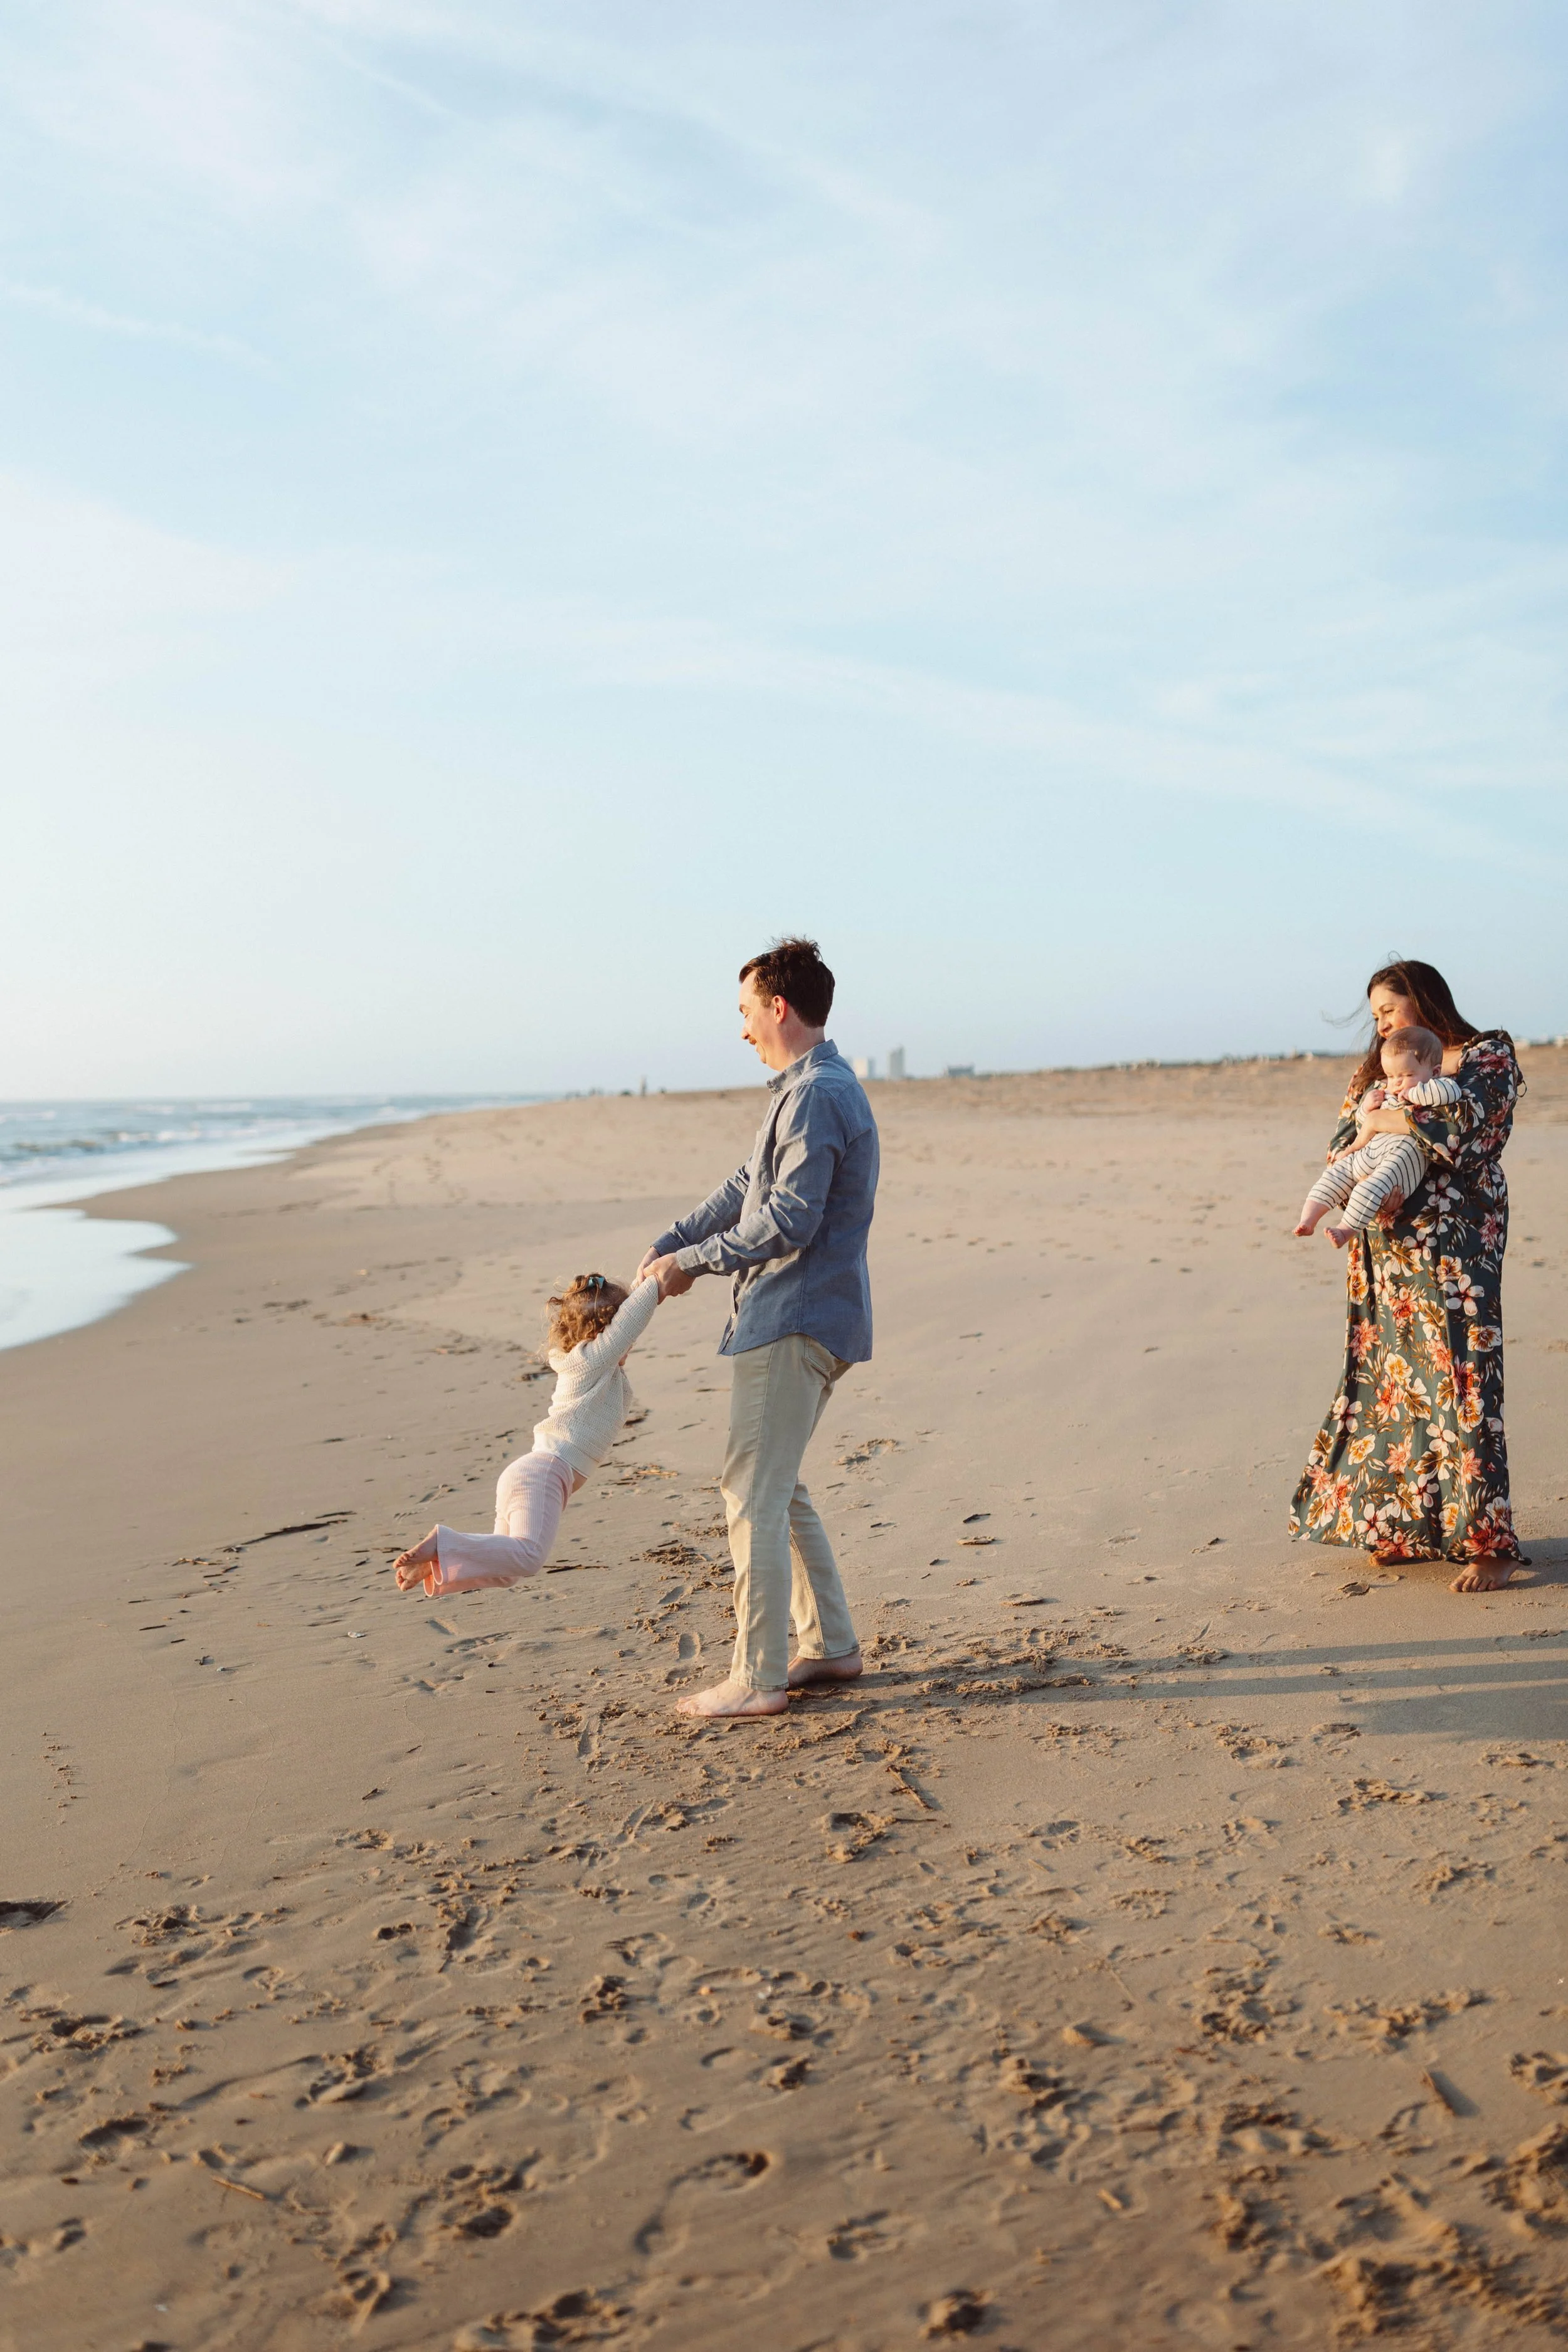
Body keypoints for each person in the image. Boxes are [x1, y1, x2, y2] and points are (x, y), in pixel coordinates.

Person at [640, 937, 879, 1718]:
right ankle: (831, 1646)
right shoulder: (804, 1088)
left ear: (779, 1007)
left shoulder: (816, 1093)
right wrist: (677, 1239)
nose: (741, 1028)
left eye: (746, 1011)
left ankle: (756, 1677)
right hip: (805, 1315)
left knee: (752, 1493)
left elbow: (790, 1218)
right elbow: (749, 1183)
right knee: (780, 1485)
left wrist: (695, 1263)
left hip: (793, 1315)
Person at [1290, 960, 1525, 1593]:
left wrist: (1391, 1120)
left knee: (1463, 1381)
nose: (1381, 1024)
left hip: (1456, 1248)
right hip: (1385, 1247)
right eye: (1374, 1016)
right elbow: (1345, 1143)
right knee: (1395, 1380)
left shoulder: (1485, 1055)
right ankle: (1407, 1528)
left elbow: (1471, 1133)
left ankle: (1487, 1546)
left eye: (1388, 1010)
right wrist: (1394, 1123)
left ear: (1422, 999)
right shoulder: (1376, 1070)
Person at [391, 1272, 660, 1596]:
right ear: (605, 1335)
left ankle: (435, 1562)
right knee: (529, 1557)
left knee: (508, 1569)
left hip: (533, 1474)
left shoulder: (589, 1367)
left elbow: (623, 1322)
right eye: (623, 1338)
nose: (629, 1344)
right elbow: (634, 1317)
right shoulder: (590, 1361)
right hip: (544, 1474)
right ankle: (443, 1543)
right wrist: (659, 1279)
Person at [1295, 1025, 1462, 1246]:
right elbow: (1362, 1125)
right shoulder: (1386, 1091)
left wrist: (1413, 1093)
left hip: (1398, 1160)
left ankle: (1345, 1230)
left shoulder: (1436, 1088)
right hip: (1369, 1151)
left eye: (1408, 1074)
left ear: (1435, 1072)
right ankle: (1308, 1219)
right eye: (1391, 1076)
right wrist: (1366, 1108)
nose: (1397, 1082)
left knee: (1370, 1189)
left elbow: (1451, 1092)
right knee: (1335, 1175)